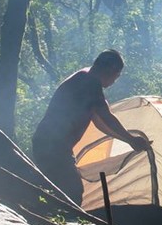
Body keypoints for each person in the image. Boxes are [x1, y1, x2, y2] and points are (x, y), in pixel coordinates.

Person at [32, 49, 149, 204]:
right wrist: (131, 139)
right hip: (52, 146)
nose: (115, 81)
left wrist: (129, 141)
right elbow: (106, 118)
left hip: (53, 145)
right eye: (117, 75)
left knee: (59, 190)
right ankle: (58, 223)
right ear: (111, 70)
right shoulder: (89, 83)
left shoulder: (85, 78)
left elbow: (100, 122)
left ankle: (47, 218)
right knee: (72, 191)